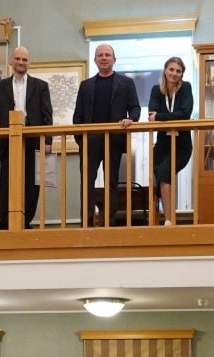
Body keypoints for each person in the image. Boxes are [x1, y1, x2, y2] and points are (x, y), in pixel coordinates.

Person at [0, 45, 53, 229]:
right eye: (18, 59)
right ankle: (6, 223)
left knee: (33, 185)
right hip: (9, 141)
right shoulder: (0, 86)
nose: (21, 62)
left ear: (29, 63)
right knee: (6, 184)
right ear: (12, 61)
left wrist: (47, 140)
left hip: (33, 141)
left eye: (24, 59)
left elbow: (47, 115)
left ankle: (25, 222)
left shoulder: (41, 86)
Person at [73, 44, 141, 226]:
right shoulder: (86, 85)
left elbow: (135, 108)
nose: (104, 58)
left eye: (107, 55)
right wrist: (82, 141)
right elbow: (77, 116)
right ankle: (87, 223)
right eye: (100, 55)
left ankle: (108, 223)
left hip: (114, 140)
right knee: (87, 182)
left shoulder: (126, 83)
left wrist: (131, 119)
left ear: (114, 59)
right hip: (90, 141)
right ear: (95, 60)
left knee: (111, 182)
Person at [147, 57, 193, 225]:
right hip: (162, 144)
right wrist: (165, 116)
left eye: (178, 71)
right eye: (171, 69)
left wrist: (160, 116)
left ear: (182, 74)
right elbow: (150, 114)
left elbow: (185, 113)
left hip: (182, 145)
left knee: (165, 172)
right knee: (156, 175)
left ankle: (168, 221)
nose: (174, 73)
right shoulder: (156, 90)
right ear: (165, 70)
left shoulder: (185, 87)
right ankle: (156, 218)